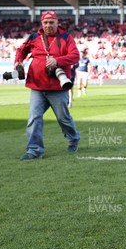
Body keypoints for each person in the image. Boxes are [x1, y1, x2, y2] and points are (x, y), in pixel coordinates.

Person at [14, 10, 80, 160]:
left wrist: (58, 61)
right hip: (37, 86)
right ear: (41, 24)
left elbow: (75, 56)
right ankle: (34, 150)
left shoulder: (66, 37)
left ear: (57, 22)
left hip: (58, 87)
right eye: (45, 22)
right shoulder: (35, 37)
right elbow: (21, 50)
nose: (48, 25)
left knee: (63, 118)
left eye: (51, 22)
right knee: (34, 118)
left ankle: (73, 138)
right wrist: (18, 61)